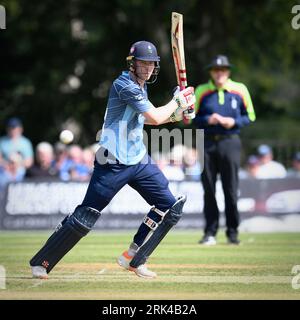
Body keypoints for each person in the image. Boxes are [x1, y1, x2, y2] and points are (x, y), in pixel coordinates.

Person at [29, 40, 195, 279]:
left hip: (138, 159)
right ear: (132, 63)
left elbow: (146, 118)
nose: (148, 68)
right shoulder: (124, 85)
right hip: (112, 160)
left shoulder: (141, 86)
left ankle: (133, 257)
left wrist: (176, 114)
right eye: (143, 63)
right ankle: (41, 262)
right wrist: (177, 102)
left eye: (151, 64)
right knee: (85, 216)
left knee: (170, 207)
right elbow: (155, 117)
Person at [194, 55, 256, 245]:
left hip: (230, 141)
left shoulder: (239, 89)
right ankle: (210, 232)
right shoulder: (202, 91)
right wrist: (207, 120)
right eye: (215, 70)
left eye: (223, 69)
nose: (219, 73)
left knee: (231, 188)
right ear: (211, 72)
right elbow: (190, 118)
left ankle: (232, 232)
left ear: (228, 71)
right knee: (209, 189)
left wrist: (234, 122)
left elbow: (250, 116)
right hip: (207, 142)